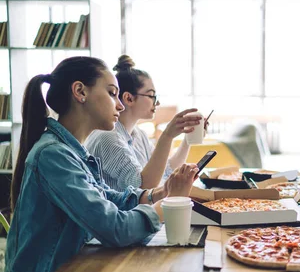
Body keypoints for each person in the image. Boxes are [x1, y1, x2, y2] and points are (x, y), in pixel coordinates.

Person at [6, 56, 198, 272]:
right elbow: (115, 228)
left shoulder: (72, 151)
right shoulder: (53, 156)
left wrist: (160, 193)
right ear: (80, 92)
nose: (119, 104)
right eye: (111, 93)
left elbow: (107, 197)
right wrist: (171, 201)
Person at [85, 55, 202, 191]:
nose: (157, 102)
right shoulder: (108, 138)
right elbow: (143, 188)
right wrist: (167, 136)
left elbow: (165, 171)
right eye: (151, 95)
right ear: (129, 98)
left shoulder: (138, 134)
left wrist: (188, 139)